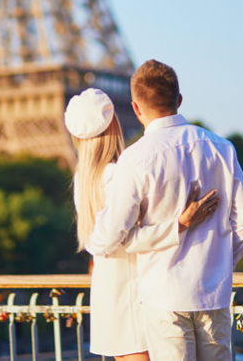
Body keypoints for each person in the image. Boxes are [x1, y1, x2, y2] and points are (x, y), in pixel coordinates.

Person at [85, 60, 243, 361]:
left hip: (163, 295)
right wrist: (218, 261)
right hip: (213, 292)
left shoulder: (135, 158)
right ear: (179, 100)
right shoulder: (222, 148)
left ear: (136, 108)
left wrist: (93, 240)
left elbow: (110, 235)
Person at [64, 88, 220, 361]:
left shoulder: (83, 179)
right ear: (114, 124)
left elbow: (100, 241)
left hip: (107, 292)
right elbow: (124, 238)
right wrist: (179, 224)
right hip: (134, 288)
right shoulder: (116, 173)